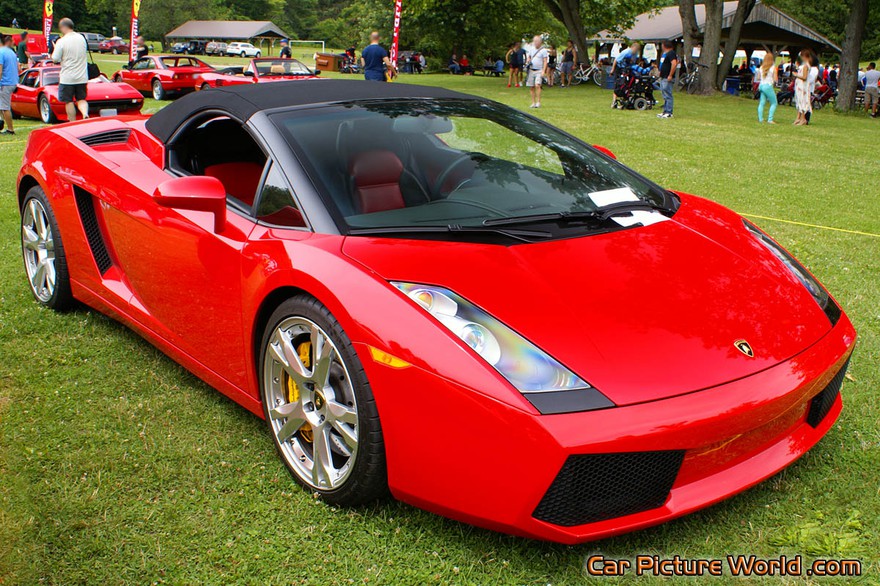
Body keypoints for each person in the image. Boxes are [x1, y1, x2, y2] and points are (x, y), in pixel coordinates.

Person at [51, 18, 90, 122]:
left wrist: (55, 47)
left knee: (68, 101)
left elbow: (55, 58)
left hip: (67, 77)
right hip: (82, 76)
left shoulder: (62, 41)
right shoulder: (82, 38)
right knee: (81, 99)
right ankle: (85, 113)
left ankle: (72, 122)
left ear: (63, 27)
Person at [611, 42, 640, 106]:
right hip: (620, 69)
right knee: (619, 85)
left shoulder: (635, 54)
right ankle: (614, 101)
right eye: (636, 49)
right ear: (632, 47)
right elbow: (616, 60)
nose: (636, 51)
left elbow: (633, 63)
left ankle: (625, 100)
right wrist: (612, 70)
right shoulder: (626, 52)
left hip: (628, 70)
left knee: (627, 86)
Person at [0, 35, 18, 135]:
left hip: (5, 83)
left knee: (5, 107)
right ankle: (1, 122)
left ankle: (10, 129)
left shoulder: (1, 52)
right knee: (1, 105)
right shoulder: (11, 52)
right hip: (12, 82)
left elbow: (0, 70)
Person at [525, 35, 549, 108]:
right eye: (534, 41)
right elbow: (528, 57)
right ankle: (533, 102)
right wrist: (528, 60)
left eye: (537, 41)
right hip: (531, 70)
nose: (535, 43)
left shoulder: (543, 50)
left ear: (540, 42)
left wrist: (543, 71)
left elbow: (545, 61)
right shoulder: (531, 49)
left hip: (539, 70)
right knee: (531, 86)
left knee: (537, 85)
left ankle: (538, 102)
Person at [656, 40, 677, 119]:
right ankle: (665, 111)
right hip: (663, 76)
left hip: (667, 77)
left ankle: (669, 112)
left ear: (664, 46)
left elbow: (674, 63)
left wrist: (670, 75)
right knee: (664, 94)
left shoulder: (671, 53)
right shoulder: (665, 54)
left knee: (668, 94)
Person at [791, 49, 812, 126]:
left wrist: (796, 75)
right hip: (799, 85)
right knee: (799, 101)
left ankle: (803, 118)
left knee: (803, 101)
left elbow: (804, 77)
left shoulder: (806, 65)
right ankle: (798, 117)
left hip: (803, 86)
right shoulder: (803, 65)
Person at [756, 52, 778, 124]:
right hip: (768, 85)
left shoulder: (761, 68)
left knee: (762, 103)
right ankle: (770, 119)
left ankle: (760, 119)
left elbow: (758, 78)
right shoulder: (773, 68)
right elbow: (775, 79)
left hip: (761, 85)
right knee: (774, 103)